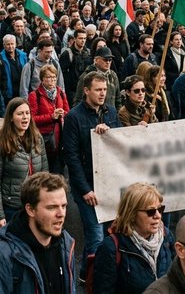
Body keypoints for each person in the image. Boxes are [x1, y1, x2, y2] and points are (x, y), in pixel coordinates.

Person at [63, 71, 121, 281]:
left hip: (108, 185)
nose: (102, 93)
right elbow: (72, 157)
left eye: (105, 89)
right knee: (96, 236)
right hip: (87, 186)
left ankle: (83, 273)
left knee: (103, 233)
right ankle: (96, 281)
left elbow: (120, 143)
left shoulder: (111, 112)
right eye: (98, 90)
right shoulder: (74, 117)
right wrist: (85, 189)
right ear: (86, 91)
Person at [0, 172, 76, 293]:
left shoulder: (66, 244)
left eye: (64, 206)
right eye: (52, 207)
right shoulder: (2, 257)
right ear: (30, 210)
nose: (61, 214)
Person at [93, 183, 175, 294]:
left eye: (160, 209)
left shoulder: (166, 236)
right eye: (150, 211)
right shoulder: (111, 248)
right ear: (131, 214)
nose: (158, 216)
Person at [0, 97, 49, 231]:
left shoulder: (37, 138)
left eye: (27, 113)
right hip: (12, 207)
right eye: (20, 114)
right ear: (10, 117)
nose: (25, 117)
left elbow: (45, 173)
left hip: (34, 204)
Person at [28, 64, 70, 175]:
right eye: (48, 77)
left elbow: (68, 113)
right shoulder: (34, 95)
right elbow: (31, 119)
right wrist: (51, 116)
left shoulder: (61, 93)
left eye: (53, 77)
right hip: (43, 139)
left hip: (60, 138)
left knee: (59, 170)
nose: (51, 80)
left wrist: (62, 114)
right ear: (42, 79)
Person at [59, 28, 91, 105]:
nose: (83, 40)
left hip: (85, 89)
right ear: (75, 39)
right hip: (72, 91)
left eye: (84, 38)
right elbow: (61, 74)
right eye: (80, 38)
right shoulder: (67, 54)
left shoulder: (88, 53)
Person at [0, 34, 28, 102]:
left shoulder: (23, 55)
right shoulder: (0, 57)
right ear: (4, 45)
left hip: (21, 88)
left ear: (15, 44)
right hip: (9, 91)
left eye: (12, 44)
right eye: (8, 44)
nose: (10, 46)